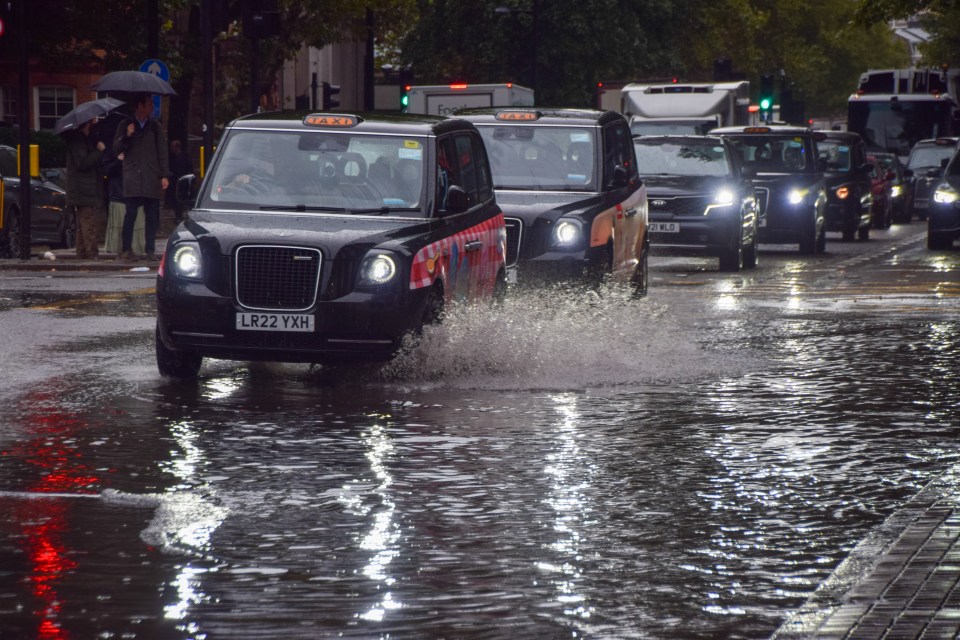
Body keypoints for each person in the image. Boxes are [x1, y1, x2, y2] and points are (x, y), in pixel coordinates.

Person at [112, 93, 169, 261]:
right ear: (139, 106)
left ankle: (149, 250)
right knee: (130, 214)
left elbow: (162, 151)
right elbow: (116, 148)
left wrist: (164, 174)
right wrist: (127, 136)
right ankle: (126, 249)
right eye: (149, 104)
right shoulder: (125, 124)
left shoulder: (154, 127)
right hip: (133, 176)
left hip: (151, 175)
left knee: (152, 215)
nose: (152, 107)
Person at [64, 118, 106, 259]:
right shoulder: (78, 141)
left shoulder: (84, 139)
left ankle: (82, 252)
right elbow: (83, 163)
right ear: (87, 123)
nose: (94, 124)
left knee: (83, 222)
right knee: (88, 221)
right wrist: (98, 151)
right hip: (83, 188)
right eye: (92, 122)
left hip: (83, 187)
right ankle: (92, 252)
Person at [166, 139, 193, 222]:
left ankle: (180, 215)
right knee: (175, 200)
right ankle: (178, 215)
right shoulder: (171, 157)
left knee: (182, 200)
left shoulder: (185, 156)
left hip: (182, 181)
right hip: (174, 181)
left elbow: (189, 168)